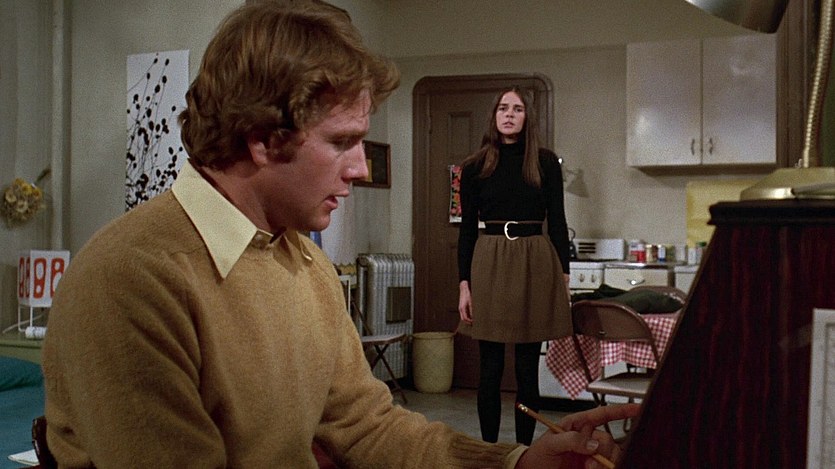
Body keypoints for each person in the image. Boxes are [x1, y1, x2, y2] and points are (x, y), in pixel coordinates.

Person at [41, 1, 635, 467]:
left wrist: (517, 462)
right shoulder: (133, 281)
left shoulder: (304, 264)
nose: (361, 168)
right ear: (262, 137)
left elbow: (368, 427)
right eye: (342, 142)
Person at [457, 87, 573, 445]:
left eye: (517, 109)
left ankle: (524, 452)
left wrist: (564, 276)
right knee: (490, 368)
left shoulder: (545, 163)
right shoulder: (474, 167)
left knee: (526, 369)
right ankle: (489, 450)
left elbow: (557, 221)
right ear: (494, 115)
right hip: (489, 261)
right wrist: (464, 284)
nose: (509, 114)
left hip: (534, 261)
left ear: (527, 117)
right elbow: (466, 230)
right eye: (503, 108)